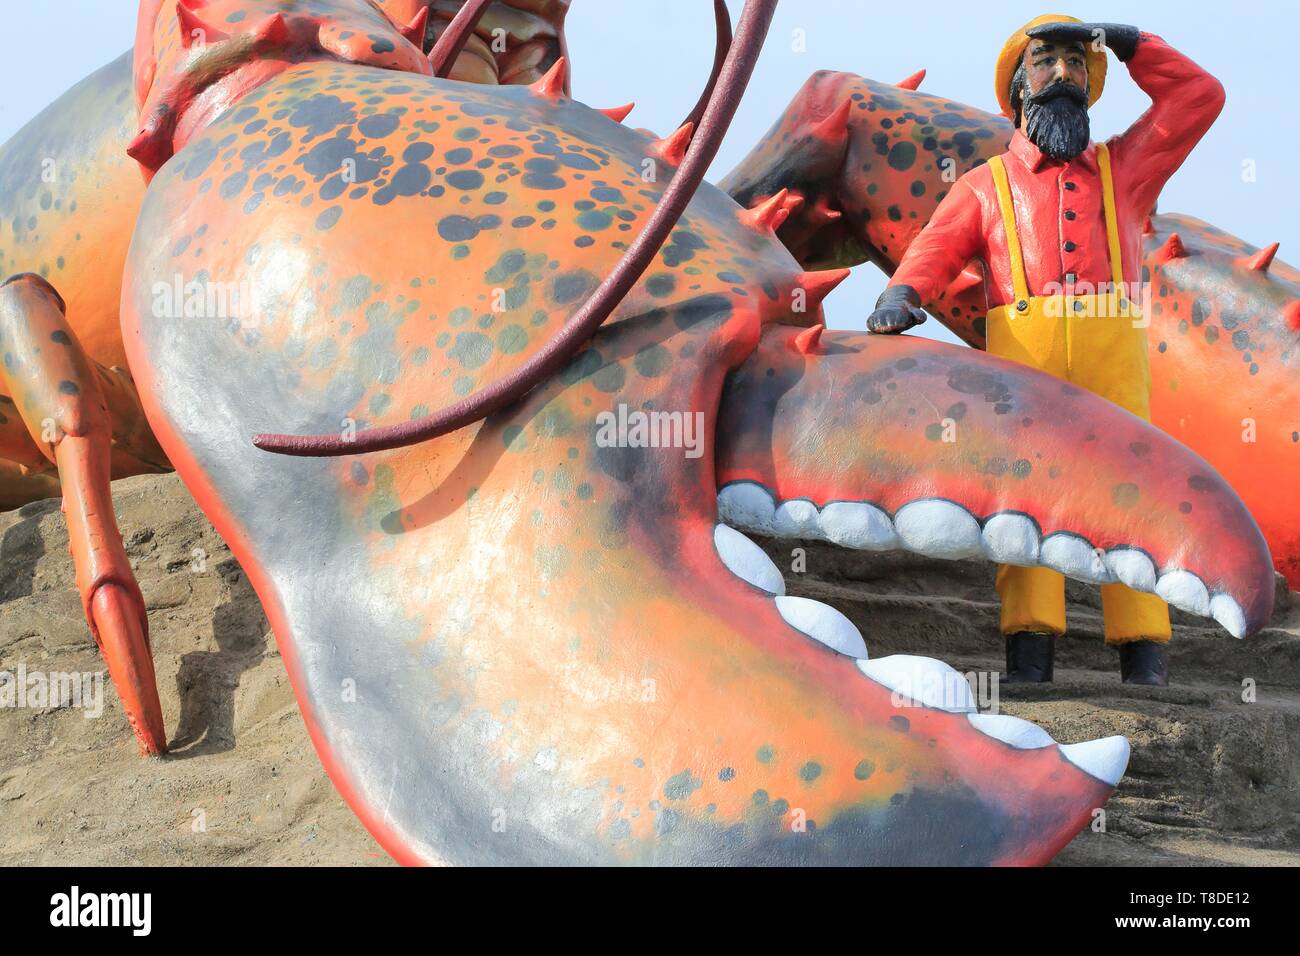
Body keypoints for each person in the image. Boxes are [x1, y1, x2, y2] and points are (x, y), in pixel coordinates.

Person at [865, 15, 1225, 686]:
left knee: (1134, 497)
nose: (1063, 73)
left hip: (1113, 355)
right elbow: (936, 247)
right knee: (1022, 502)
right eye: (1046, 62)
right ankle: (1030, 663)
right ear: (1018, 87)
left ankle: (1144, 656)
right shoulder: (983, 186)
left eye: (1075, 62)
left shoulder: (1128, 168)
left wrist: (1134, 44)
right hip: (1022, 365)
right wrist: (904, 293)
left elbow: (1199, 97)